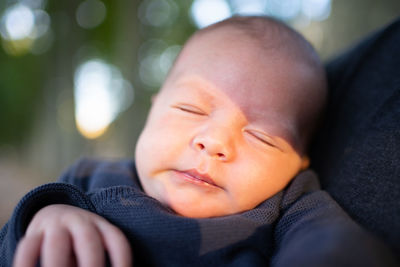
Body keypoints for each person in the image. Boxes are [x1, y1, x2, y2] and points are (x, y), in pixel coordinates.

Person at [1, 16, 397, 267]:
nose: (214, 142)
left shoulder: (289, 208)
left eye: (261, 136)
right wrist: (47, 220)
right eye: (191, 109)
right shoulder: (88, 183)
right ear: (154, 109)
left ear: (299, 163)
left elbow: (335, 248)